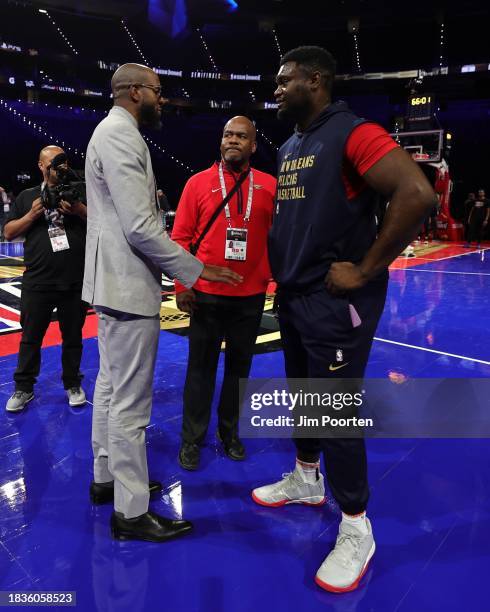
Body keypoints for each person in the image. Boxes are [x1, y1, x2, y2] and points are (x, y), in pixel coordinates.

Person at [251, 46, 436, 593]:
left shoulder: (355, 132)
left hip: (337, 300)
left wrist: (365, 268)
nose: (277, 88)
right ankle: (307, 479)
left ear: (318, 79)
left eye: (286, 80)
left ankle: (356, 524)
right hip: (295, 295)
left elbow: (416, 192)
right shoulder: (289, 145)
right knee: (304, 395)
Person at [83, 63, 242, 543]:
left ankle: (107, 478)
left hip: (111, 284)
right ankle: (130, 512)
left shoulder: (111, 131)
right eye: (157, 91)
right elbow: (139, 227)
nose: (162, 99)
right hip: (127, 287)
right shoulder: (121, 135)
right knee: (131, 404)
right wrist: (194, 268)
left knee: (111, 388)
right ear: (135, 92)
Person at [172, 116, 276, 470]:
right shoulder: (197, 183)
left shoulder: (269, 186)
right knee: (199, 372)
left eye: (241, 136)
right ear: (221, 141)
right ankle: (192, 439)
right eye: (228, 134)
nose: (233, 140)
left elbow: (278, 240)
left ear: (253, 145)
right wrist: (182, 284)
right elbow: (180, 238)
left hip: (250, 296)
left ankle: (230, 433)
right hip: (205, 295)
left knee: (239, 372)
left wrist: (274, 280)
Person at [3, 146, 88, 412]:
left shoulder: (80, 193)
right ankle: (24, 387)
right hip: (37, 281)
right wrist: (31, 214)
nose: (60, 168)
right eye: (53, 163)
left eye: (63, 163)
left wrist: (79, 210)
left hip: (75, 280)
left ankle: (72, 383)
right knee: (30, 337)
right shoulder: (28, 195)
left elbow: (103, 223)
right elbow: (8, 233)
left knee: (73, 336)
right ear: (41, 166)